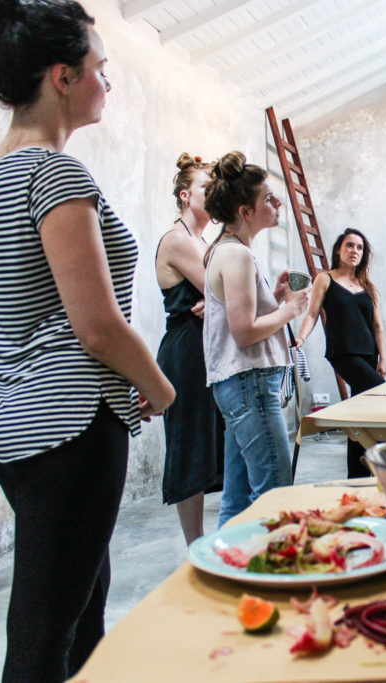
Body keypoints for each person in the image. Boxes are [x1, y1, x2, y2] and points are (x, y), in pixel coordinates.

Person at [0, 2, 176, 681]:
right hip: (72, 428)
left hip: (14, 425)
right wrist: (159, 384)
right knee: (41, 637)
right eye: (100, 69)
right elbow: (96, 325)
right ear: (62, 76)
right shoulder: (54, 174)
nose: (106, 83)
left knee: (77, 617)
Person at [202, 151, 309, 527]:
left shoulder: (230, 251)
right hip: (249, 384)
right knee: (274, 496)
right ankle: (268, 580)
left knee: (237, 499)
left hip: (239, 384)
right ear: (246, 211)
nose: (277, 203)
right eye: (268, 198)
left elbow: (243, 319)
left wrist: (276, 299)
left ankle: (226, 577)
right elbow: (244, 332)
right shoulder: (236, 255)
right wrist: (290, 310)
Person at [155, 153, 225, 545]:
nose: (213, 194)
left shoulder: (204, 242)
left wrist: (216, 303)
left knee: (214, 443)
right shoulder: (178, 240)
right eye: (205, 188)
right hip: (186, 353)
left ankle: (210, 540)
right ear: (185, 195)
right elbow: (227, 291)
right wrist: (216, 299)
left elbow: (227, 295)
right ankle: (195, 545)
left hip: (209, 348)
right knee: (190, 447)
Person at [295, 228, 386, 478]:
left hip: (369, 354)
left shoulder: (368, 285)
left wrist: (383, 358)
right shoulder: (325, 279)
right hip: (343, 352)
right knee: (381, 394)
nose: (354, 251)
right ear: (338, 249)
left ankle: (356, 476)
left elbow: (377, 326)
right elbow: (313, 313)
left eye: (359, 247)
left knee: (360, 412)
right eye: (349, 245)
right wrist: (301, 337)